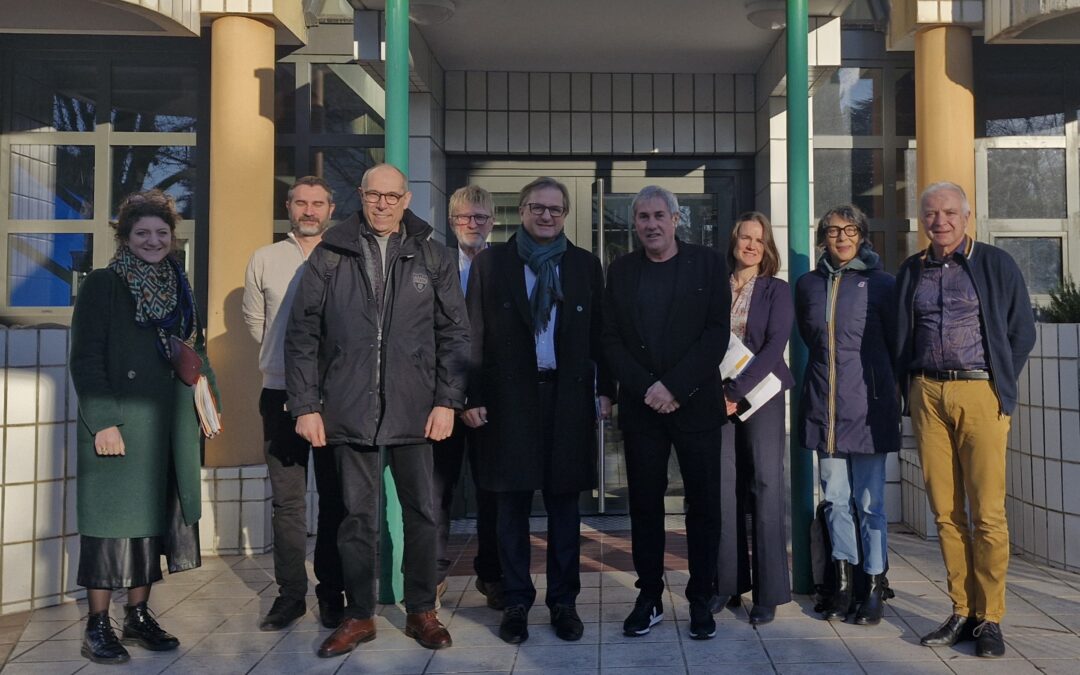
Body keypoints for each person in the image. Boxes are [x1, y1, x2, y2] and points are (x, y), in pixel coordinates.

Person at [285, 163, 469, 658]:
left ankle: (421, 610)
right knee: (356, 519)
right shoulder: (331, 252)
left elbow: (455, 335)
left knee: (423, 516)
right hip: (347, 407)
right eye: (374, 195)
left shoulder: (434, 256)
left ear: (406, 200)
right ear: (360, 197)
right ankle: (359, 614)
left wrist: (447, 401)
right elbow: (302, 333)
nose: (383, 204)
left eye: (392, 196)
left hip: (417, 408)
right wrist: (306, 405)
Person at [69, 190, 218, 664]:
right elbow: (86, 359)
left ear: (173, 239)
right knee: (110, 525)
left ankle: (137, 616)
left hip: (164, 426)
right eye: (143, 233)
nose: (153, 241)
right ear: (125, 237)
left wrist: (207, 395)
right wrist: (105, 421)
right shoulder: (103, 284)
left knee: (148, 524)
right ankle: (97, 624)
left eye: (161, 233)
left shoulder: (180, 282)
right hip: (120, 425)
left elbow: (192, 346)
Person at [462, 177, 612, 645]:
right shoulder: (492, 264)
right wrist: (471, 396)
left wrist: (606, 390)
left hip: (567, 400)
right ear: (521, 211)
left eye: (555, 209)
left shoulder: (585, 265)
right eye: (536, 208)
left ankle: (564, 602)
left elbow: (602, 336)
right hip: (509, 403)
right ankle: (515, 602)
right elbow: (472, 336)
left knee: (566, 507)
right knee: (511, 507)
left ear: (566, 214)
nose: (546, 216)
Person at [896, 182, 1035, 658]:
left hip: (980, 391)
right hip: (927, 392)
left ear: (967, 216)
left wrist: (1000, 384)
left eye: (950, 212)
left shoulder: (996, 263)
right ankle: (962, 610)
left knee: (989, 513)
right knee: (945, 511)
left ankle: (991, 617)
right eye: (932, 214)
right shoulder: (912, 270)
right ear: (923, 220)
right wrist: (907, 389)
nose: (941, 221)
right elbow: (901, 332)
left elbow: (1022, 330)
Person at [602, 185, 730, 640]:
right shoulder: (620, 271)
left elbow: (716, 334)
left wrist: (675, 386)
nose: (651, 224)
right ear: (634, 223)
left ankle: (701, 599)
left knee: (704, 507)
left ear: (677, 220)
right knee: (644, 507)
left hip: (695, 405)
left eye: (659, 215)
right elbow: (610, 339)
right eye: (642, 217)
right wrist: (647, 389)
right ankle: (650, 595)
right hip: (642, 410)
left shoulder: (710, 264)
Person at [242, 176, 346, 631]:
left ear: (331, 209)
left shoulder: (344, 255)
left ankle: (331, 593)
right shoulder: (265, 258)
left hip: (334, 395)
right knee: (287, 502)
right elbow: (255, 323)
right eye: (301, 202)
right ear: (288, 206)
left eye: (317, 203)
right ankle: (290, 595)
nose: (309, 210)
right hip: (280, 393)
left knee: (335, 499)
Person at [795, 203, 900, 626]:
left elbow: (894, 343)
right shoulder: (808, 285)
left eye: (849, 229)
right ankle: (841, 582)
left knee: (870, 503)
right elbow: (811, 339)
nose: (841, 237)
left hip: (869, 409)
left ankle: (873, 583)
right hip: (825, 408)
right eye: (833, 230)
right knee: (835, 499)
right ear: (823, 236)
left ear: (863, 235)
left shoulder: (883, 284)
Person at [717, 212, 794, 625]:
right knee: (724, 488)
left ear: (767, 249)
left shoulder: (776, 290)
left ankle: (768, 593)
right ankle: (727, 584)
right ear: (734, 241)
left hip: (761, 396)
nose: (749, 245)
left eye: (758, 241)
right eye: (744, 237)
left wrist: (735, 391)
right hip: (717, 400)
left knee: (765, 486)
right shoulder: (716, 286)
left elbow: (773, 346)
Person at [431, 185, 503, 609]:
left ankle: (491, 575)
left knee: (491, 490)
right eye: (464, 218)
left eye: (480, 217)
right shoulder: (435, 262)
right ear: (452, 221)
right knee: (438, 489)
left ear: (492, 221)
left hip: (491, 402)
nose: (472, 225)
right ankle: (435, 573)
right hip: (442, 399)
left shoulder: (506, 265)